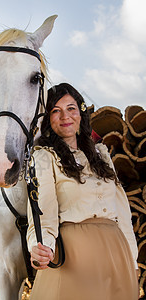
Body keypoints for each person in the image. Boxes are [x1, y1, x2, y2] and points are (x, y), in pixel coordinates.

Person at [27, 83, 139, 300]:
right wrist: (40, 247)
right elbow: (43, 215)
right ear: (48, 120)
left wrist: (132, 260)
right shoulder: (44, 157)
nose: (65, 116)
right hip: (75, 260)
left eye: (71, 108)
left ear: (80, 113)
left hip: (117, 256)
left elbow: (121, 212)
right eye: (55, 111)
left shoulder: (102, 155)